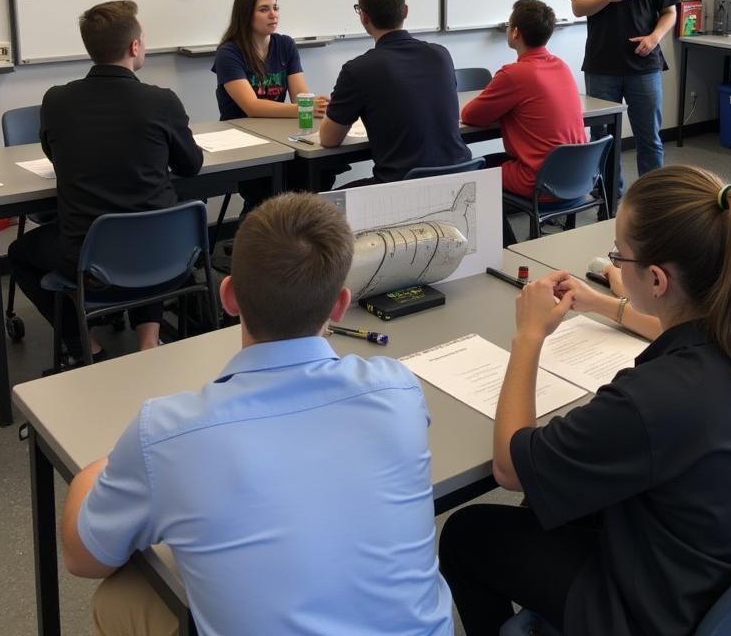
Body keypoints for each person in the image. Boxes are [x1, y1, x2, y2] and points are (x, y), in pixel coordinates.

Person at [439, 166, 731, 636]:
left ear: (655, 279)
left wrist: (528, 337)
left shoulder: (656, 399)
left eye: (619, 257)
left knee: (469, 533)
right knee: (560, 500)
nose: (616, 265)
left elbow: (508, 466)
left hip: (673, 614)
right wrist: (604, 303)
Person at [61, 192, 453, 636]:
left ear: (228, 297)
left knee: (119, 599)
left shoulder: (167, 434)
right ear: (340, 305)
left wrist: (92, 473)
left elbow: (83, 558)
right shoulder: (398, 388)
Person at [8, 1, 203, 364]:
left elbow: (57, 157)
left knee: (18, 255)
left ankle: (86, 347)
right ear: (134, 47)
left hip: (90, 260)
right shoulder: (161, 101)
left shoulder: (56, 101)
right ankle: (149, 342)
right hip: (167, 256)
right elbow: (191, 166)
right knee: (149, 220)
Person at [566, 0, 676, 187]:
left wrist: (654, 37)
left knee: (649, 138)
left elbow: (670, 12)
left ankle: (651, 201)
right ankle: (610, 200)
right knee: (603, 138)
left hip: (644, 65)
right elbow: (578, 7)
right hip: (602, 65)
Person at [320, 0, 469, 183]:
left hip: (401, 190)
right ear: (405, 11)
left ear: (364, 17)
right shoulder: (440, 54)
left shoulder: (358, 69)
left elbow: (328, 139)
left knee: (322, 204)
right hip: (460, 178)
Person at [461, 0, 586, 241]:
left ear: (515, 32)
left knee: (476, 171)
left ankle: (506, 247)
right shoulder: (561, 65)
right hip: (577, 175)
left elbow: (470, 115)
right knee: (494, 163)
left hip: (541, 180)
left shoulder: (514, 74)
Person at [212, 0, 328, 121]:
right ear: (246, 15)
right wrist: (306, 108)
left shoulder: (286, 44)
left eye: (275, 8)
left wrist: (318, 104)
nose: (273, 15)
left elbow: (299, 95)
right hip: (239, 132)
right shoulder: (228, 53)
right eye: (263, 10)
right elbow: (252, 107)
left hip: (274, 127)